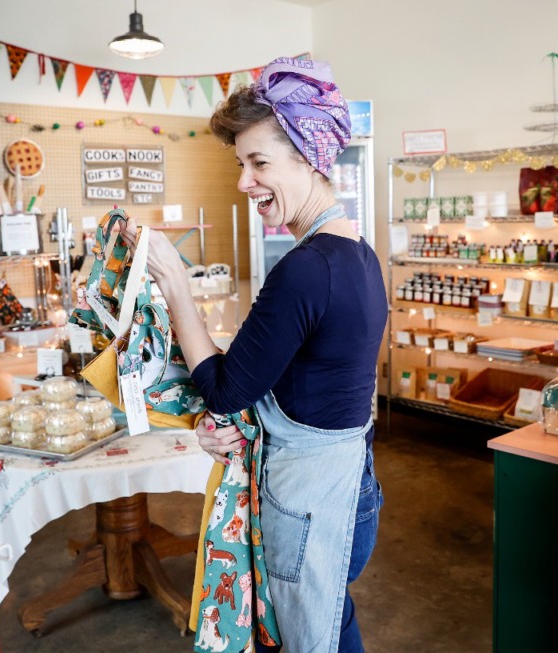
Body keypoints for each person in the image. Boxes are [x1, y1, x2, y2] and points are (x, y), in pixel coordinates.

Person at [123, 57, 386, 652]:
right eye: (242, 163)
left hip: (311, 504)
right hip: (353, 488)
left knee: (311, 636)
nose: (245, 181)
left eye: (259, 162)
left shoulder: (305, 269)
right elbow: (300, 381)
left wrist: (174, 283)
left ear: (311, 157)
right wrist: (236, 426)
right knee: (329, 623)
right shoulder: (357, 255)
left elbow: (224, 389)